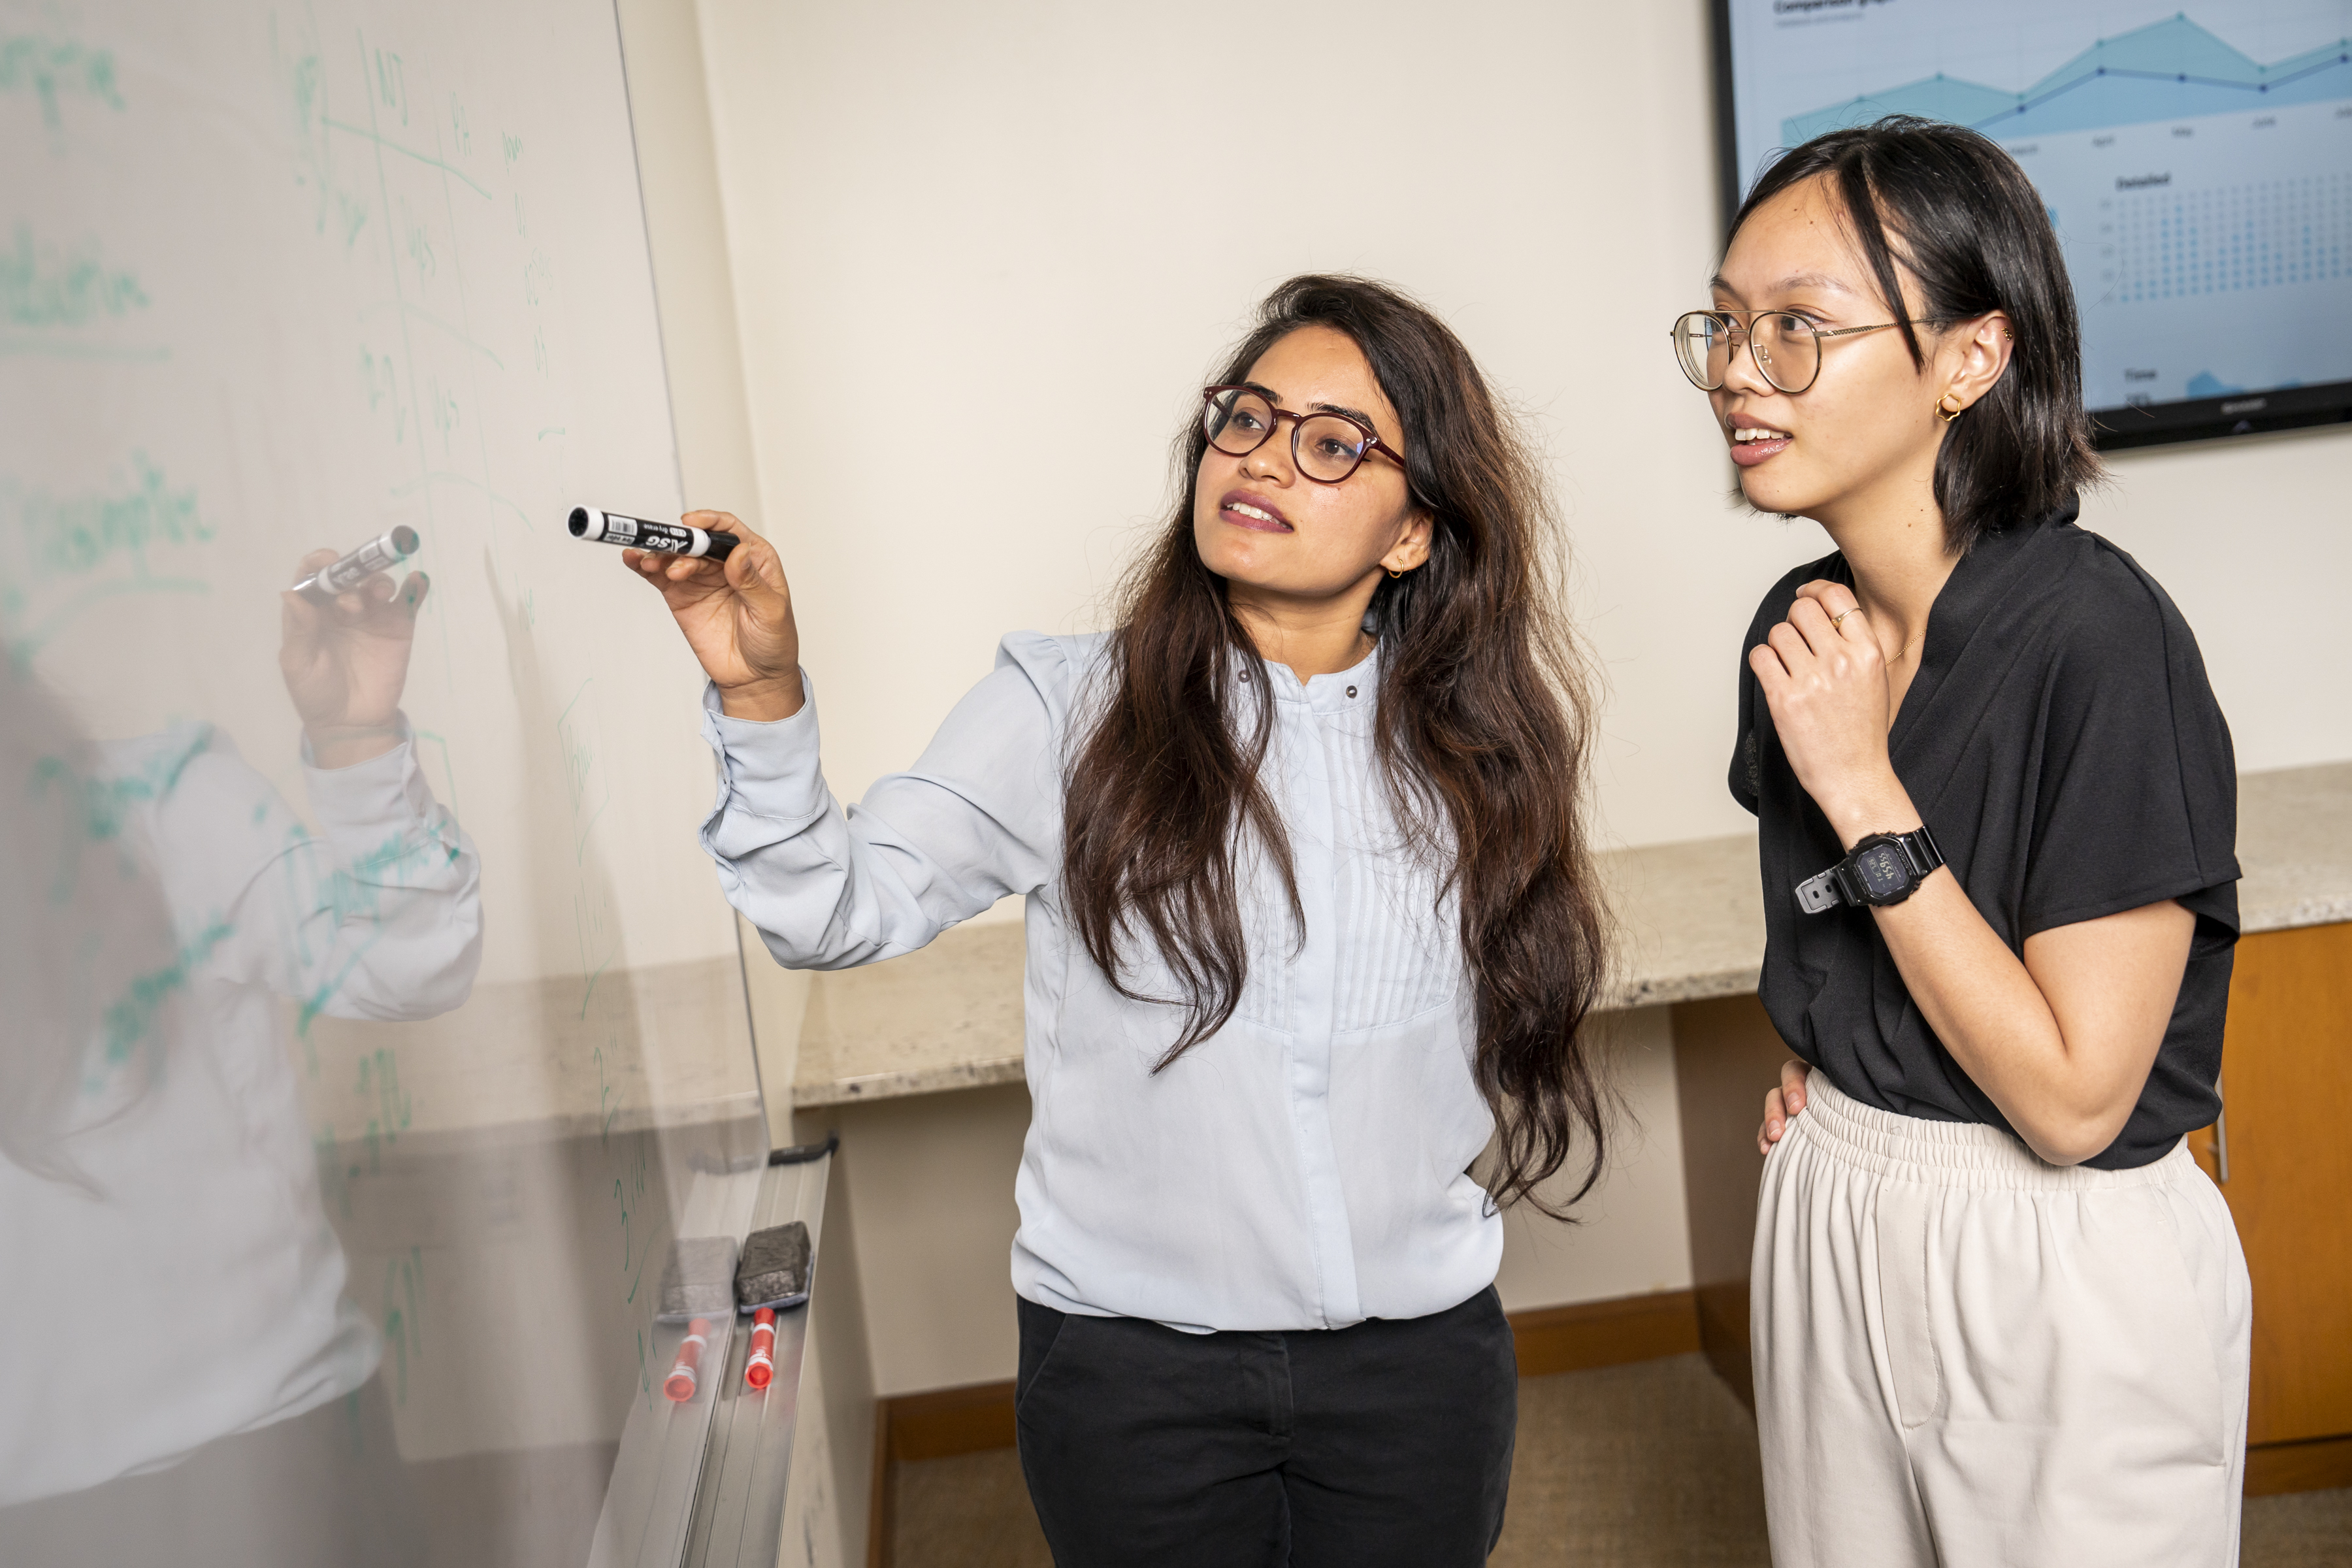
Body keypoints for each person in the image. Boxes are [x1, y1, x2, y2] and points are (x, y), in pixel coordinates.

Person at [627, 275, 1612, 1566]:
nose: (1261, 459)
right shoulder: (1069, 709)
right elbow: (831, 909)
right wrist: (762, 694)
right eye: (1245, 420)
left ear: (1415, 532)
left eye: (1332, 444)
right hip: (1137, 1379)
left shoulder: (1476, 752)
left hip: (1416, 1370)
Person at [1673, 117, 2249, 1565]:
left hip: (2052, 1252)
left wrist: (1865, 787)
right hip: (1836, 1206)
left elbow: (2071, 1104)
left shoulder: (2100, 639)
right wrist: (1836, 1059)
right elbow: (1832, 939)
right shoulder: (1801, 630)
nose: (1742, 371)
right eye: (1729, 327)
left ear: (1970, 360)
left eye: (1800, 327)